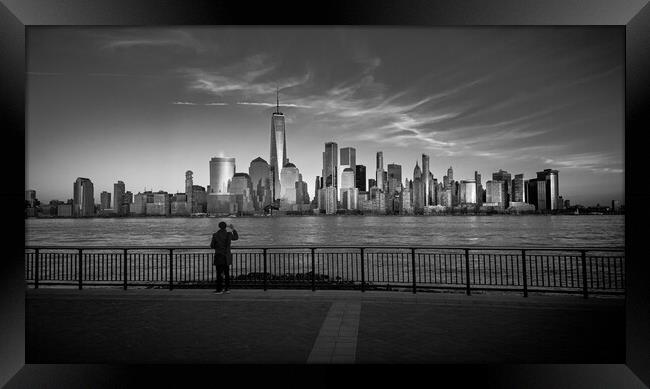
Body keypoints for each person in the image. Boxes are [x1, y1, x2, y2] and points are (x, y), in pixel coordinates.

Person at [211, 221, 238, 294]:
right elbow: (236, 238)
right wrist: (233, 229)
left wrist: (218, 247)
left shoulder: (215, 235)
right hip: (226, 257)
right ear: (226, 227)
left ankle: (219, 289)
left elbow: (212, 246)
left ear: (219, 226)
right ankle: (227, 289)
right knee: (227, 273)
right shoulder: (229, 234)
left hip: (219, 256)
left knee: (219, 273)